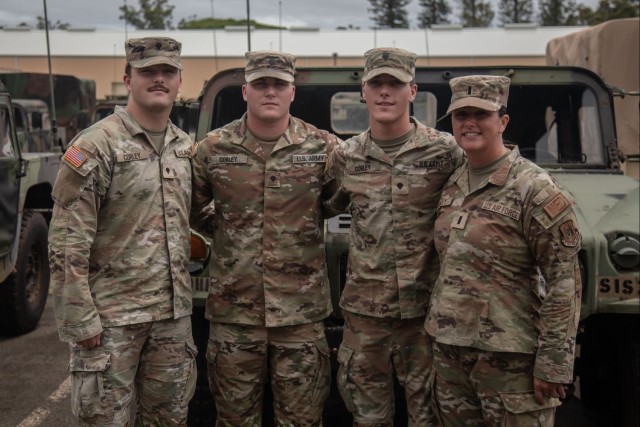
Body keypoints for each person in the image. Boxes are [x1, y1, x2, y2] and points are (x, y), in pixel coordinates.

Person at [48, 37, 196, 426]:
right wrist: (80, 319)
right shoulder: (96, 145)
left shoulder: (184, 147)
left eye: (168, 72)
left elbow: (198, 215)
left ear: (181, 81)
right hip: (112, 320)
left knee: (169, 419)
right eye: (148, 72)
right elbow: (66, 242)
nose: (159, 79)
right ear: (128, 79)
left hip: (172, 318)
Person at [190, 51, 340, 426]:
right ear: (245, 91)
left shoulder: (323, 147)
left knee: (302, 420)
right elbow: (188, 205)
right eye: (260, 84)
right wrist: (228, 228)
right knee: (234, 419)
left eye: (278, 84)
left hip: (300, 317)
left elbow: (338, 202)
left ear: (292, 91)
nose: (269, 91)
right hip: (234, 315)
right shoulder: (213, 148)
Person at [425, 75, 582, 426]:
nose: (469, 123)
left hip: (511, 361)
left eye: (481, 114)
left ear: (503, 121)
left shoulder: (533, 188)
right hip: (452, 355)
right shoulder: (452, 182)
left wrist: (554, 363)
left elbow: (564, 280)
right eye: (460, 115)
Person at [324, 47, 464, 426]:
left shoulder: (445, 151)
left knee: (430, 415)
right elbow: (325, 206)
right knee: (368, 417)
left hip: (425, 313)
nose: (386, 92)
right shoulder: (346, 156)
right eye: (377, 83)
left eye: (395, 84)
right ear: (364, 92)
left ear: (413, 91)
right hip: (365, 315)